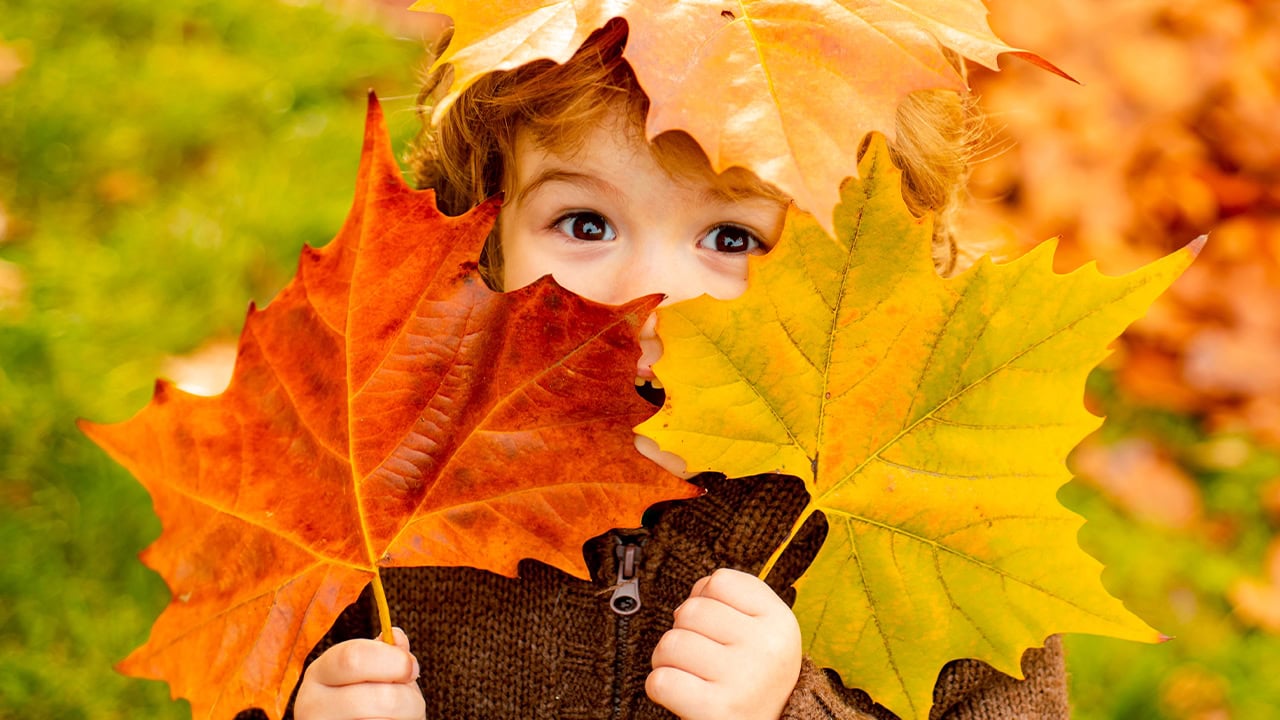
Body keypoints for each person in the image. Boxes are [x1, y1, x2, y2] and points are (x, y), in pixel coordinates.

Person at [254, 18, 1069, 720]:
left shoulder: (935, 520)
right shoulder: (383, 487)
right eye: (584, 222)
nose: (647, 297)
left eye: (732, 238)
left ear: (860, 274)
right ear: (484, 231)